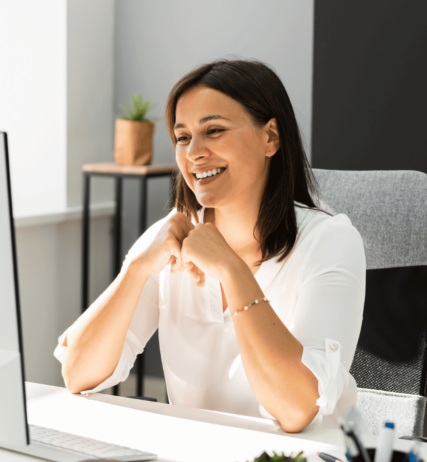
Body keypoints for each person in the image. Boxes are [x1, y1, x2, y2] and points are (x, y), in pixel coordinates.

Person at [55, 59, 365, 433]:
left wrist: (231, 271)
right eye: (182, 137)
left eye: (213, 130)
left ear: (270, 138)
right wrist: (135, 268)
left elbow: (298, 409)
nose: (193, 153)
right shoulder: (170, 238)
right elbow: (77, 374)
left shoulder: (331, 242)